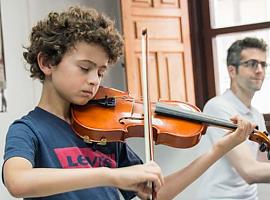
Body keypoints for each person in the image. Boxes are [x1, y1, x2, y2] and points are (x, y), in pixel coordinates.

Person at [2, 6, 256, 200]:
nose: (94, 81)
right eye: (85, 68)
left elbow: (156, 193)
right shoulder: (29, 130)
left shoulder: (104, 131)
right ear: (47, 63)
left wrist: (218, 150)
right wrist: (111, 175)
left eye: (100, 72)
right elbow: (18, 181)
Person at [196, 37, 269, 200]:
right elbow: (250, 171)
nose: (259, 70)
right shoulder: (217, 107)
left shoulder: (256, 114)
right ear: (232, 71)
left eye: (263, 64)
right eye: (251, 64)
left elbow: (263, 163)